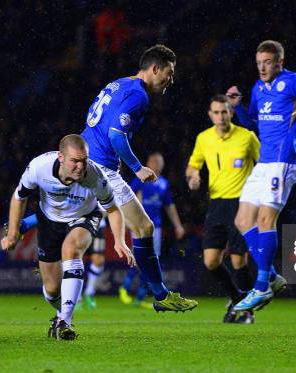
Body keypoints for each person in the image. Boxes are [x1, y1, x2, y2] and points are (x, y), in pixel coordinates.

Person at [14, 44, 197, 313]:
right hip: (102, 167)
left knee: (82, 207)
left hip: (88, 156)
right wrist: (137, 168)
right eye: (168, 73)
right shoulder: (140, 96)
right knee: (144, 228)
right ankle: (161, 295)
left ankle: (22, 225)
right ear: (155, 69)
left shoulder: (120, 83)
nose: (170, 80)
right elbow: (115, 134)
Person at [226, 40, 296, 311]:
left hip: (285, 162)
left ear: (280, 63)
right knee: (241, 220)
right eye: (259, 62)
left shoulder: (294, 82)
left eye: (268, 62)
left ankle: (261, 287)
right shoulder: (258, 89)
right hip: (264, 163)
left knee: (264, 219)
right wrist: (237, 107)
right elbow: (253, 125)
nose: (262, 67)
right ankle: (271, 275)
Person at [1, 134, 134, 340]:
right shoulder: (39, 167)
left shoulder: (96, 177)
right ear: (61, 157)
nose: (81, 167)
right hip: (49, 221)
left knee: (71, 250)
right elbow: (20, 197)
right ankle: (60, 313)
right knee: (52, 289)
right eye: (75, 161)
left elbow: (113, 210)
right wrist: (12, 234)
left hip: (85, 217)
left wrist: (120, 241)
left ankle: (65, 322)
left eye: (84, 160)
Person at [186, 94, 258, 323]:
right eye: (216, 112)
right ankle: (237, 298)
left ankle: (248, 311)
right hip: (216, 204)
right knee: (211, 261)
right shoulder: (204, 138)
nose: (220, 116)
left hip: (242, 203)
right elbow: (192, 167)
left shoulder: (246, 137)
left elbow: (265, 164)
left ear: (231, 112)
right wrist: (193, 178)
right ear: (210, 115)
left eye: (224, 111)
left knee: (238, 260)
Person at [119, 152, 185, 308]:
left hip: (157, 227)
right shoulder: (140, 180)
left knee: (152, 260)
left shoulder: (164, 184)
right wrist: (126, 219)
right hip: (139, 224)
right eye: (154, 161)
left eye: (160, 162)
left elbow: (169, 206)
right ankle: (125, 288)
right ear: (148, 162)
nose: (157, 164)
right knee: (140, 258)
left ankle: (140, 297)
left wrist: (178, 225)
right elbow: (126, 196)